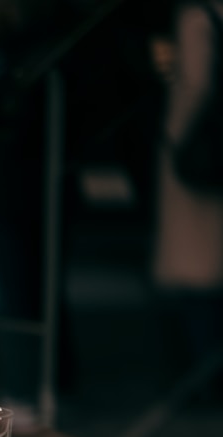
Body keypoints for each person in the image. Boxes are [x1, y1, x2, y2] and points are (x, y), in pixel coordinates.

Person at [152, 0, 223, 403]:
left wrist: (174, 141)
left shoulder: (198, 17)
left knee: (198, 271)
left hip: (200, 154)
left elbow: (195, 85)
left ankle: (202, 378)